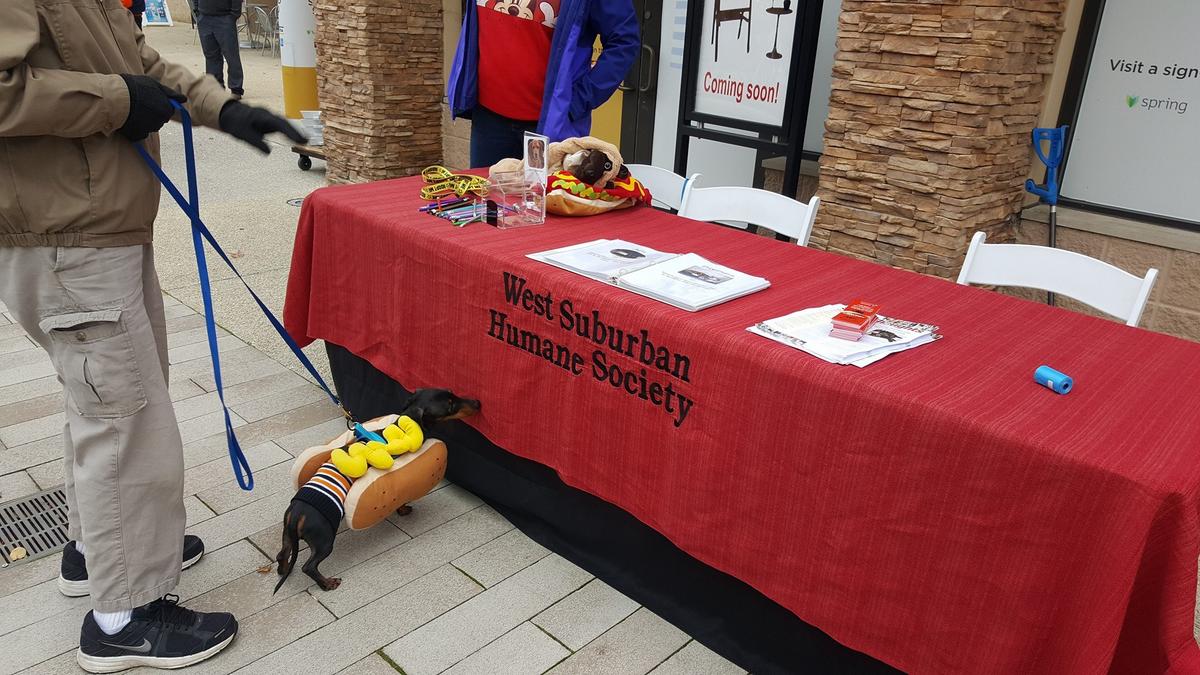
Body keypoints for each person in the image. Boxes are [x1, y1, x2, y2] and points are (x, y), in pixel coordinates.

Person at [0, 1, 304, 672]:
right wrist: (113, 100)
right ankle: (123, 617)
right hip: (65, 235)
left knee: (109, 408)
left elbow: (143, 66)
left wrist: (224, 108)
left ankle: (98, 551)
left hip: (100, 226)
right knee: (124, 420)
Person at [447, 0, 640, 168]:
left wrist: (579, 100)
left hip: (544, 130)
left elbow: (624, 40)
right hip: (488, 122)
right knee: (488, 204)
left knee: (538, 205)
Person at [197, 0, 245, 98]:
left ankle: (236, 89)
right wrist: (197, 10)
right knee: (211, 56)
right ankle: (215, 88)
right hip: (204, 18)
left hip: (225, 18)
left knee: (231, 56)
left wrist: (233, 16)